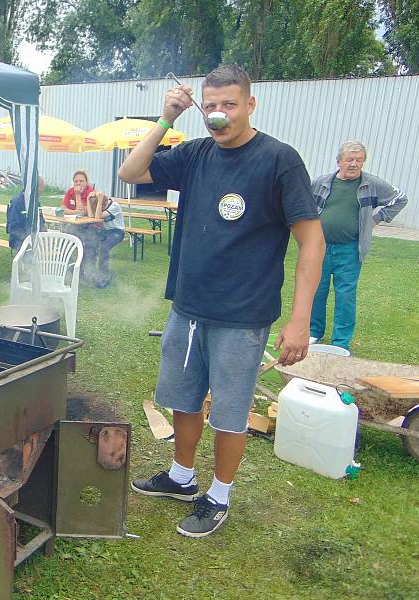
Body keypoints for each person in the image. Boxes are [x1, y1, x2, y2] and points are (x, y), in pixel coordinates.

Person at [119, 64, 325, 538]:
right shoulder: (194, 154)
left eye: (229, 104)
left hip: (243, 313)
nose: (218, 114)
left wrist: (300, 319)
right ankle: (181, 477)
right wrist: (166, 118)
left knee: (230, 411)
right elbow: (132, 171)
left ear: (250, 104)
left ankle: (219, 495)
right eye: (210, 105)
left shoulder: (279, 160)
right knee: (184, 399)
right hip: (188, 307)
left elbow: (311, 242)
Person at [309, 140, 408, 350]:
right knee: (316, 291)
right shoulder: (321, 183)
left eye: (359, 160)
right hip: (320, 248)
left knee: (345, 296)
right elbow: (304, 205)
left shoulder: (371, 184)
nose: (354, 164)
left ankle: (341, 342)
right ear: (339, 161)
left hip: (350, 250)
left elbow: (400, 198)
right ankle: (314, 332)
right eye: (350, 159)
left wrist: (376, 218)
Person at [86, 191, 125, 288]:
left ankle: (104, 274)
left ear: (103, 204)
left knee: (104, 247)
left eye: (99, 207)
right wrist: (88, 199)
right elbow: (92, 217)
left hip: (117, 232)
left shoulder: (115, 206)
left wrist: (99, 200)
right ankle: (90, 271)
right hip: (105, 231)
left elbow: (98, 217)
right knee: (90, 242)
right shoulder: (101, 206)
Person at [6, 176, 46, 251]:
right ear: (34, 187)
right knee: (30, 254)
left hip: (34, 238)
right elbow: (13, 229)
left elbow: (41, 224)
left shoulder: (35, 202)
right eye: (42, 187)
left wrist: (46, 239)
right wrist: (29, 239)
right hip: (18, 240)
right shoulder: (16, 203)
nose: (43, 190)